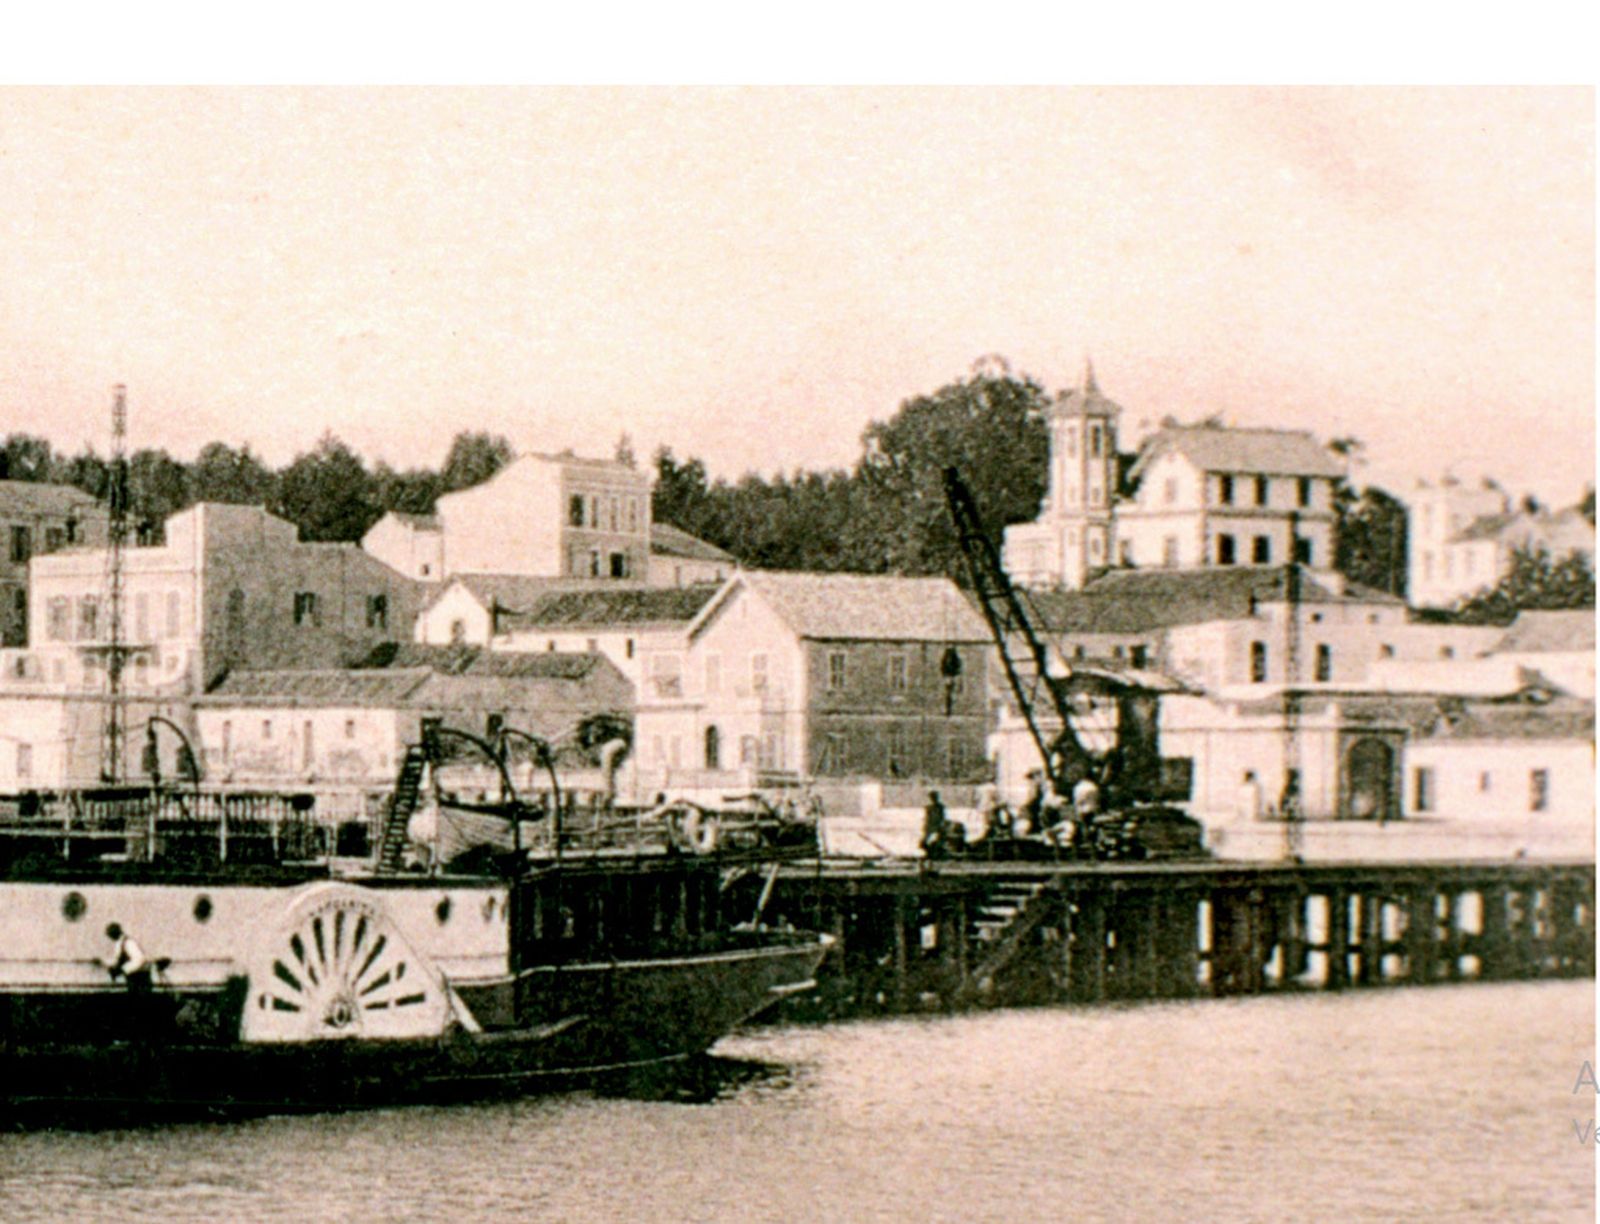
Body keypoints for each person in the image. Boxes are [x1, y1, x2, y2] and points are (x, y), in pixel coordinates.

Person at [103, 922, 152, 995]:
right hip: (132, 977)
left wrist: (123, 970)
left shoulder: (129, 943)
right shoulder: (120, 944)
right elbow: (118, 959)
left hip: (140, 978)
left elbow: (139, 959)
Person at [920, 790, 949, 859]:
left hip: (937, 826)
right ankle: (931, 852)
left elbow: (942, 818)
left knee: (941, 840)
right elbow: (928, 818)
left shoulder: (940, 807)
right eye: (933, 797)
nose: (934, 799)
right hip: (932, 826)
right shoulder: (929, 808)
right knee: (922, 843)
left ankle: (936, 851)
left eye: (935, 797)